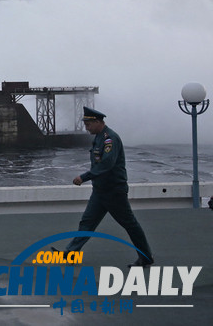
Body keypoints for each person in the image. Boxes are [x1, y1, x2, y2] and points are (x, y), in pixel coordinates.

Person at [61, 107, 153, 267]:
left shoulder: (110, 139)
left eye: (88, 124)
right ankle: (71, 253)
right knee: (87, 223)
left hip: (113, 191)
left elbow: (106, 164)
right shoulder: (98, 138)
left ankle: (145, 257)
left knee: (130, 225)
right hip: (100, 191)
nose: (86, 127)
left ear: (98, 122)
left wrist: (83, 177)